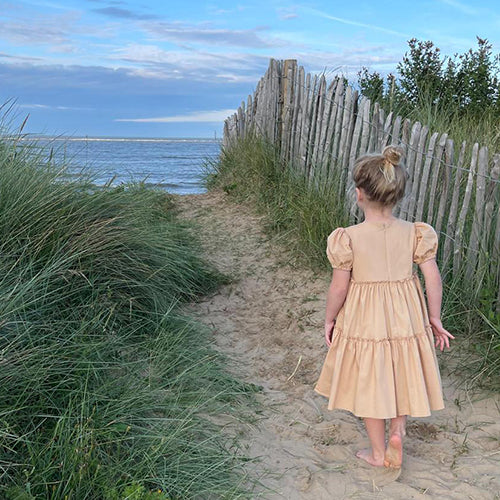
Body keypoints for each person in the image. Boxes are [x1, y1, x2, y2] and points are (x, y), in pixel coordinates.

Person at [314, 145, 454, 469]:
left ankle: (379, 453)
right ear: (397, 195)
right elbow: (432, 277)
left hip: (366, 317)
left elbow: (339, 287)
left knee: (371, 378)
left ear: (359, 194)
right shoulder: (416, 232)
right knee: (400, 366)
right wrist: (434, 317)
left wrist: (329, 319)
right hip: (406, 313)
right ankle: (398, 429)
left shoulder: (348, 237)